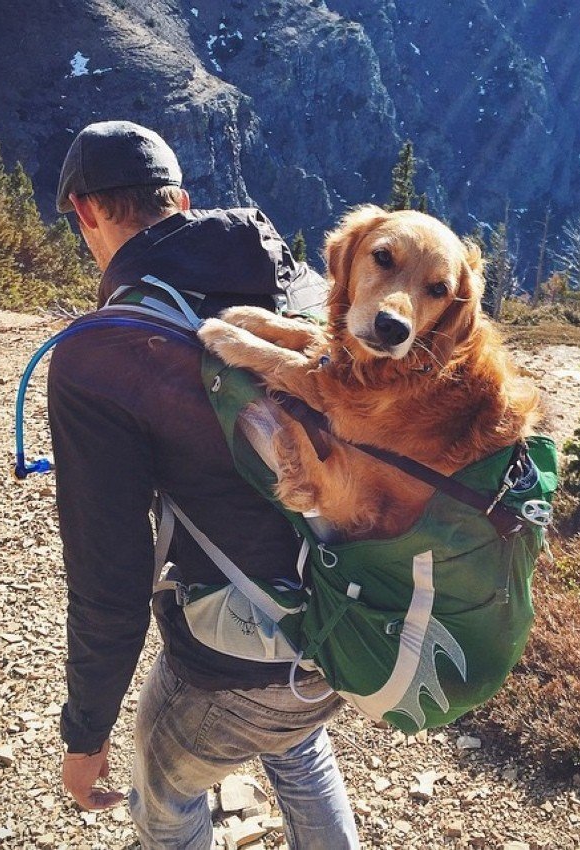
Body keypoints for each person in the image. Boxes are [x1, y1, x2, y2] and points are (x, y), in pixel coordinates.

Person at [49, 120, 359, 849]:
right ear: (180, 200)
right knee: (299, 743)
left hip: (228, 663)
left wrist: (86, 733)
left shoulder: (99, 353)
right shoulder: (297, 282)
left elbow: (110, 575)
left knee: (161, 797)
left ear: (86, 211)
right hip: (351, 621)